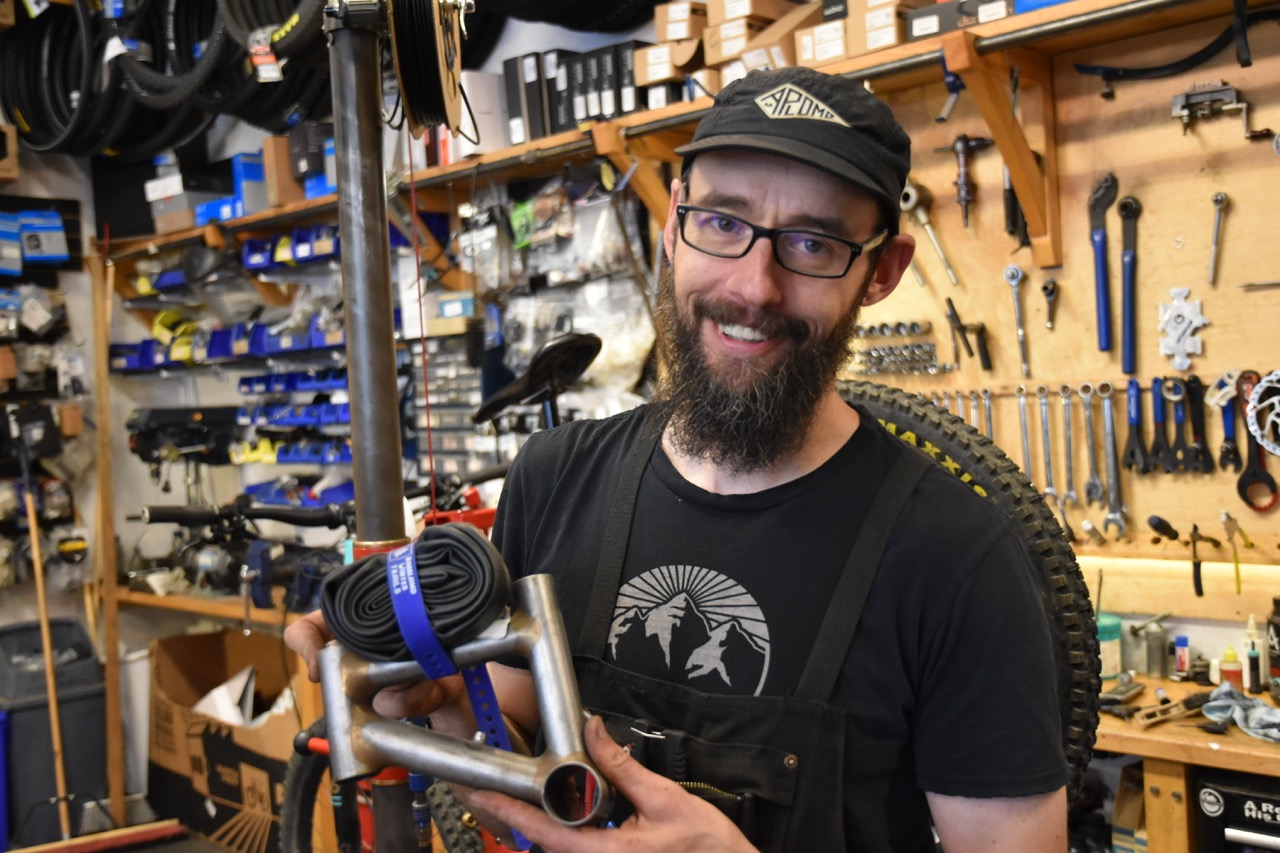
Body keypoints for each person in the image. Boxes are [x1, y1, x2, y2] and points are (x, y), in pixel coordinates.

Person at [287, 66, 1068, 852]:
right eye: (722, 223)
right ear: (671, 229)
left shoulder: (958, 558)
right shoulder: (554, 479)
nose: (753, 286)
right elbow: (522, 784)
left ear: (882, 271)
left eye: (812, 242)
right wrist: (450, 711)